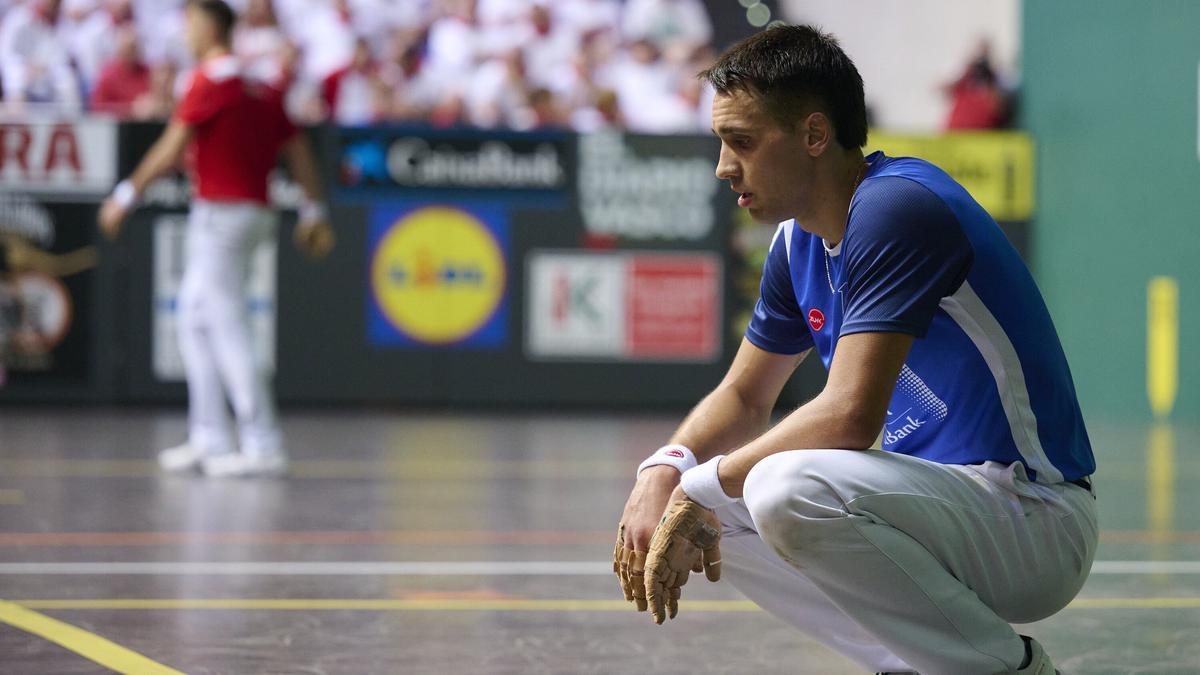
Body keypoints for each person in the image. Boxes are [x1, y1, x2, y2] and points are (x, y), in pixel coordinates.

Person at [614, 25, 1096, 675]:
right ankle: (920, 664)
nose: (724, 166)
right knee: (716, 510)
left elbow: (848, 415)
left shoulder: (897, 207)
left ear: (815, 135)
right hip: (939, 510)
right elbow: (745, 395)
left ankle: (1006, 671)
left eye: (742, 142)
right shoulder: (796, 242)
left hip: (1031, 517)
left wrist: (700, 484)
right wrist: (664, 470)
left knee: (781, 486)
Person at [98, 0, 335, 478]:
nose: (185, 33)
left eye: (189, 23)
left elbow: (172, 145)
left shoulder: (209, 81)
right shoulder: (261, 84)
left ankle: (263, 443)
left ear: (208, 27)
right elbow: (297, 148)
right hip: (251, 213)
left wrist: (125, 195)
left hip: (222, 215)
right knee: (194, 316)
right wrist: (314, 209)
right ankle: (209, 436)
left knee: (227, 325)